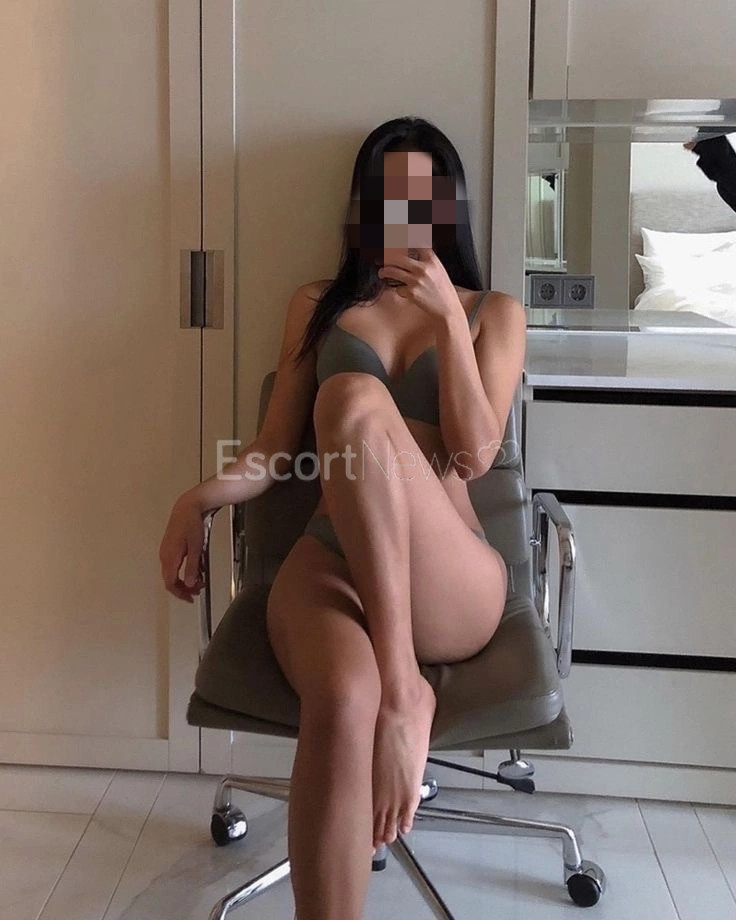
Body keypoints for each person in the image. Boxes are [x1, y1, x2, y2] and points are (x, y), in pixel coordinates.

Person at [159, 115, 526, 920]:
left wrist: (447, 323)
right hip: (330, 558)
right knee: (341, 698)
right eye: (390, 198)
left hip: (448, 570)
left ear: (450, 207)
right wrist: (198, 496)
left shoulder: (492, 312)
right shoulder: (318, 306)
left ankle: (405, 692)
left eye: (425, 199)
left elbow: (474, 456)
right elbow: (271, 450)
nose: (408, 216)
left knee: (352, 396)